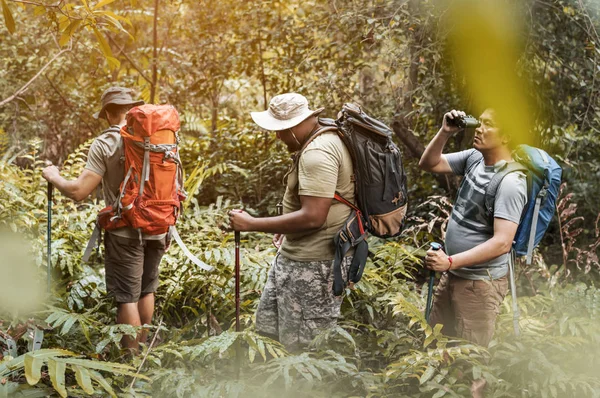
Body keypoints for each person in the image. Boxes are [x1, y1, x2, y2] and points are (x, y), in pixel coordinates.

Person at [228, 93, 355, 351]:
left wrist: (251, 224)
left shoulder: (317, 153)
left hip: (314, 266)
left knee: (302, 351)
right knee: (269, 334)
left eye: (280, 130)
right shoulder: (321, 140)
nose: (277, 137)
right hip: (294, 259)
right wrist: (285, 228)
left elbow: (313, 217)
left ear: (295, 126)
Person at [42, 87, 165, 350]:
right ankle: (145, 356)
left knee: (127, 299)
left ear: (108, 112)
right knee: (146, 291)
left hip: (125, 231)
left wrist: (53, 176)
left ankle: (130, 364)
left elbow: (79, 191)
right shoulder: (158, 137)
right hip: (159, 226)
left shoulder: (105, 143)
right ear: (133, 108)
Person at [420, 108, 527, 396]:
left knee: (474, 363)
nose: (479, 129)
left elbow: (502, 243)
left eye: (488, 125)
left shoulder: (511, 182)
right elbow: (429, 163)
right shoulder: (474, 158)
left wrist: (450, 260)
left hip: (480, 284)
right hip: (453, 274)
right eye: (479, 122)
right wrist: (445, 131)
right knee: (438, 348)